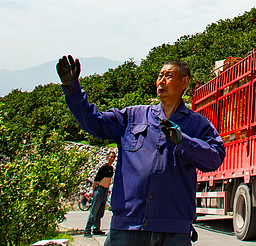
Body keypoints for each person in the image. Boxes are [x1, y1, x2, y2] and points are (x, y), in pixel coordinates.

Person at [58, 56, 226, 245]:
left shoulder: (197, 125)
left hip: (173, 232)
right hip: (127, 229)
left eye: (168, 76)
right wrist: (72, 87)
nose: (161, 81)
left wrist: (184, 141)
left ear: (184, 82)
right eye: (160, 76)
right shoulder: (131, 116)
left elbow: (215, 158)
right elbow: (94, 123)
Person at [84, 150, 117, 238]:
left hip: (105, 191)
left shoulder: (111, 169)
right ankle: (87, 230)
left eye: (113, 157)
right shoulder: (103, 168)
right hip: (99, 190)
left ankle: (96, 228)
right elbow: (96, 180)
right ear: (107, 157)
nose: (112, 159)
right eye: (111, 157)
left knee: (100, 211)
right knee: (94, 211)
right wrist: (94, 191)